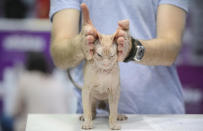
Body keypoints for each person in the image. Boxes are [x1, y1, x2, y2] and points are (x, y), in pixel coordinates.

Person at [49, 0, 188, 114]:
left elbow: (171, 48)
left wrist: (134, 49)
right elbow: (59, 54)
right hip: (96, 117)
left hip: (159, 115)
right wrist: (80, 45)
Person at [11, 52, 73, 131]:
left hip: (33, 127)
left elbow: (15, 111)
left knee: (6, 120)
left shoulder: (25, 79)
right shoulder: (56, 82)